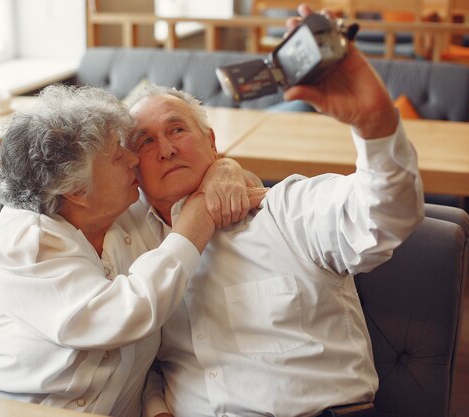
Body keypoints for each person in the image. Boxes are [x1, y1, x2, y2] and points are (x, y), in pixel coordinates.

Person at [121, 6, 425, 417]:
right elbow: (145, 361)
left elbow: (383, 215)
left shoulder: (283, 211)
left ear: (211, 142)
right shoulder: (133, 245)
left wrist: (375, 125)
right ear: (133, 170)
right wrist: (156, 406)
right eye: (145, 142)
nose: (167, 148)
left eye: (177, 129)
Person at [0, 84, 262, 416]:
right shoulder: (23, 238)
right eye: (119, 156)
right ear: (77, 189)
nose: (134, 160)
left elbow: (202, 176)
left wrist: (225, 168)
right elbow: (117, 317)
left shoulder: (124, 218)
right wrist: (198, 217)